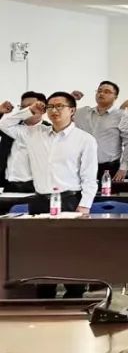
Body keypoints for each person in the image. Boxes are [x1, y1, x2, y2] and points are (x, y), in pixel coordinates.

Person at [0, 92, 97, 298]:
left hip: (69, 200)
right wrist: (30, 110)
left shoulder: (84, 139)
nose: (54, 110)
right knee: (41, 250)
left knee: (70, 251)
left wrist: (84, 205)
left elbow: (89, 177)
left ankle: (75, 294)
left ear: (72, 110)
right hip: (40, 201)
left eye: (60, 106)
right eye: (50, 106)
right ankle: (45, 295)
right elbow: (5, 124)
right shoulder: (34, 133)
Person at [72, 81, 128, 179]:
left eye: (107, 92)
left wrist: (124, 167)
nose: (101, 94)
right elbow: (62, 114)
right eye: (99, 91)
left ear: (115, 97)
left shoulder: (121, 116)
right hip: (83, 167)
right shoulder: (82, 113)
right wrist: (70, 98)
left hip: (109, 168)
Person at [0, 91, 48, 192]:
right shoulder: (12, 127)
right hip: (7, 184)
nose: (27, 110)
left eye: (30, 106)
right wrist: (0, 112)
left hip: (34, 186)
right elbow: (2, 124)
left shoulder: (49, 130)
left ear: (43, 110)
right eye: (23, 107)